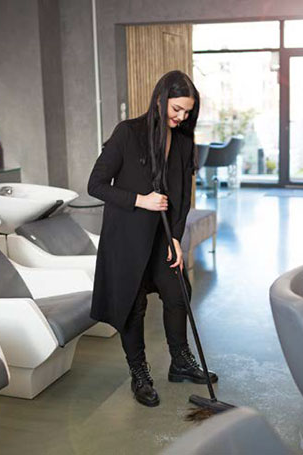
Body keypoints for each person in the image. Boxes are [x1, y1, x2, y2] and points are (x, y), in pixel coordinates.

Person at [88, 70, 217, 407]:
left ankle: (180, 362)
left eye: (188, 112)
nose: (182, 117)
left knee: (179, 294)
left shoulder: (185, 140)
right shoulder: (127, 133)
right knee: (134, 305)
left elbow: (183, 196)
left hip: (162, 237)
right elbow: (96, 184)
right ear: (160, 100)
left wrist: (176, 237)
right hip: (127, 238)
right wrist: (139, 199)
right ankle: (139, 373)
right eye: (177, 109)